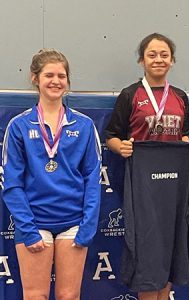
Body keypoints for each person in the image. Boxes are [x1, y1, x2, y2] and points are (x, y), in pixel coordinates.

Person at [105, 33, 189, 300]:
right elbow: (111, 135)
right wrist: (120, 147)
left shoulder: (180, 96)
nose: (158, 59)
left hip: (174, 186)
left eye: (164, 55)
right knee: (148, 251)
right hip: (144, 187)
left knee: (171, 245)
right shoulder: (130, 95)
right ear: (141, 60)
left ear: (172, 60)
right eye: (152, 55)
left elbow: (183, 136)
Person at [2, 49, 101, 300]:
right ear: (35, 78)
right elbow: (11, 184)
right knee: (36, 296)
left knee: (69, 296)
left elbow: (92, 180)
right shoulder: (19, 126)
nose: (56, 81)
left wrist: (87, 227)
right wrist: (28, 228)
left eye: (61, 75)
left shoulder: (84, 125)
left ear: (67, 81)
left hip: (73, 222)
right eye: (49, 75)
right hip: (34, 222)